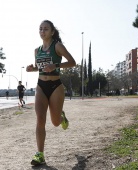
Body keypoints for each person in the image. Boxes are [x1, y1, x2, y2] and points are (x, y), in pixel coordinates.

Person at [26, 20, 76, 166]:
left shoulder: (57, 46)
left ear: (52, 32)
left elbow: (73, 62)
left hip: (56, 86)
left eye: (46, 29)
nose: (42, 31)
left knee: (55, 122)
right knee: (40, 119)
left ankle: (62, 117)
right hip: (41, 86)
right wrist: (33, 68)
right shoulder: (37, 50)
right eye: (40, 29)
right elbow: (41, 68)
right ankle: (40, 154)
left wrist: (56, 65)